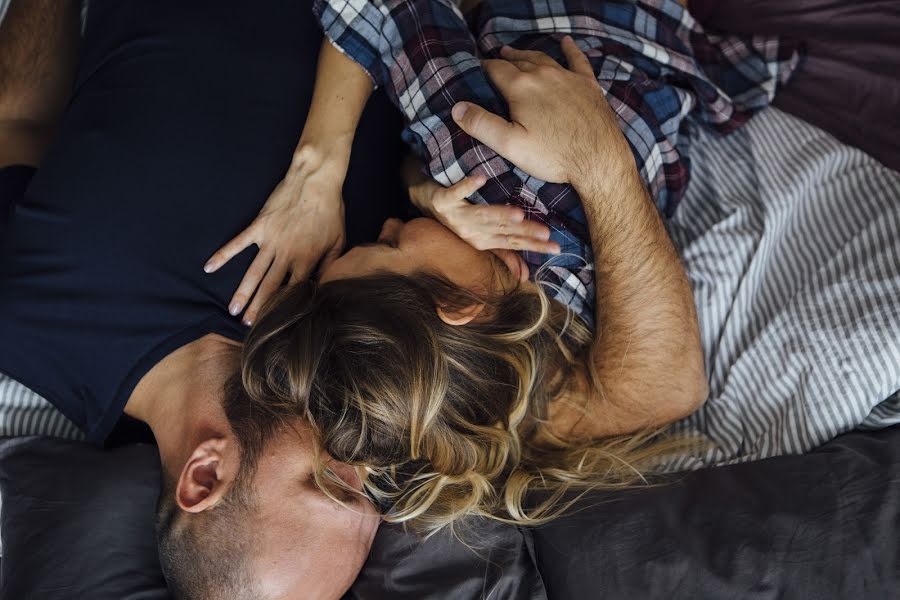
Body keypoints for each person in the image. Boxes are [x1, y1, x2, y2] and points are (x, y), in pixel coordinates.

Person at [217, 0, 799, 533]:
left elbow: (670, 390)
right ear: (458, 306)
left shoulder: (495, 388)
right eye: (389, 245)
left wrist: (422, 194)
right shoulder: (476, 150)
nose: (389, 223)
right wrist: (320, 168)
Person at [0, 1, 400, 597]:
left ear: (205, 473)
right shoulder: (357, 324)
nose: (362, 458)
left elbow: (19, 121)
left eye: (332, 483)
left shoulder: (27, 317)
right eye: (365, 487)